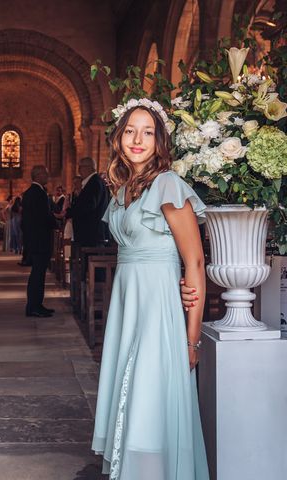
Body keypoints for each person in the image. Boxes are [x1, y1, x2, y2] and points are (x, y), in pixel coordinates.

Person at [91, 101, 209, 479]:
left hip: (158, 310)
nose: (137, 139)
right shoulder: (122, 190)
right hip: (128, 305)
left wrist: (191, 340)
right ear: (118, 138)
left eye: (147, 131)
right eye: (129, 131)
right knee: (133, 397)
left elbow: (194, 262)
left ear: (159, 140)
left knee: (150, 401)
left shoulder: (168, 184)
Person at [22, 165, 59, 317]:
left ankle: (36, 304)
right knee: (38, 274)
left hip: (35, 240)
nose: (48, 176)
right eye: (45, 173)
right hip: (40, 240)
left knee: (38, 273)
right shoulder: (38, 193)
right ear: (38, 175)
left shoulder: (32, 192)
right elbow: (43, 217)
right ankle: (34, 307)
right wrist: (55, 222)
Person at [66, 157, 110, 247]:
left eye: (80, 167)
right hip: (90, 233)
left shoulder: (94, 183)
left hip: (91, 233)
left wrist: (70, 212)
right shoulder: (94, 182)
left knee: (90, 258)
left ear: (88, 167)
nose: (79, 170)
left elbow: (89, 205)